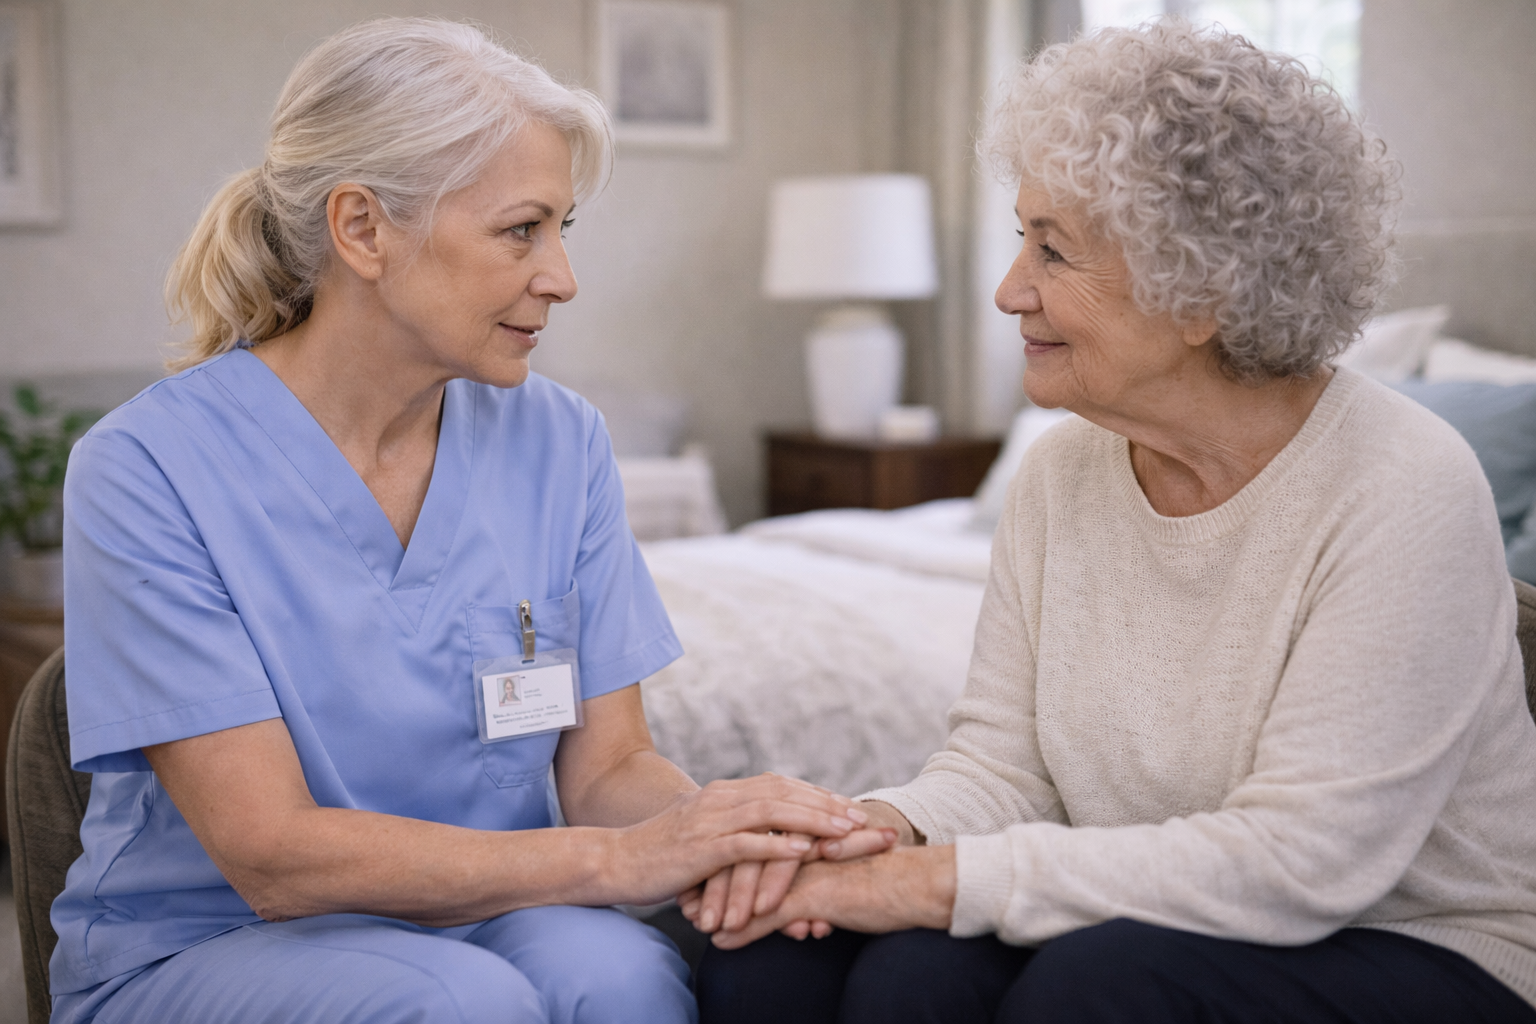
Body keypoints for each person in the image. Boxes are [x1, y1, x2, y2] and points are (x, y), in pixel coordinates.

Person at [690, 21, 1536, 1024]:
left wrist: (932, 883)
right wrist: (873, 835)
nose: (1010, 290)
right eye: (1021, 238)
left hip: (1416, 942)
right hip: (1135, 905)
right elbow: (1003, 768)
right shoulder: (1058, 476)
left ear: (1203, 292)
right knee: (803, 955)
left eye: (1053, 251)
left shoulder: (1403, 484)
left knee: (1094, 989)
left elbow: (1303, 861)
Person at [50, 19, 891, 1024]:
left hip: (487, 909)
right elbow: (269, 853)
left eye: (563, 230)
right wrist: (619, 859)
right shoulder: (147, 467)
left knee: (627, 976)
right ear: (363, 229)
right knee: (464, 1003)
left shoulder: (560, 439)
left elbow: (610, 767)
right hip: (215, 938)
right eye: (520, 229)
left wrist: (732, 832)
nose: (561, 278)